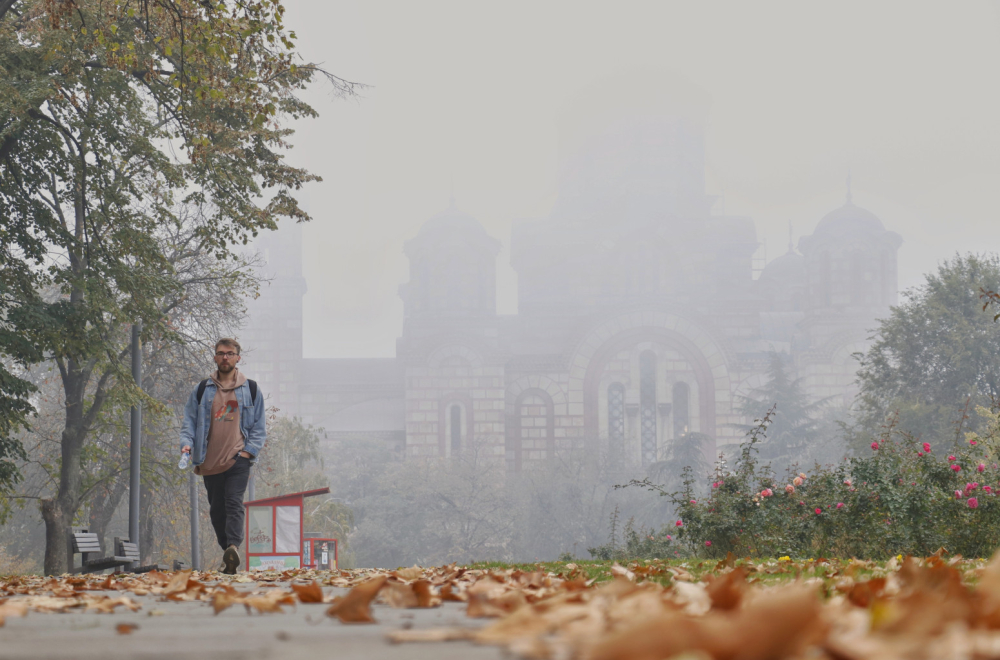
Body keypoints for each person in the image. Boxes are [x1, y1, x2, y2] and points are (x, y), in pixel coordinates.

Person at [179, 338, 266, 574]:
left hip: (238, 458)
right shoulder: (202, 390)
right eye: (220, 353)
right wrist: (186, 444)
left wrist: (248, 452)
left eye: (230, 353)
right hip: (209, 460)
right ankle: (229, 555)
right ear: (215, 357)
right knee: (217, 510)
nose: (225, 357)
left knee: (233, 502)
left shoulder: (251, 389)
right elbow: (190, 422)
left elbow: (259, 427)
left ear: (238, 357)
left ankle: (233, 546)